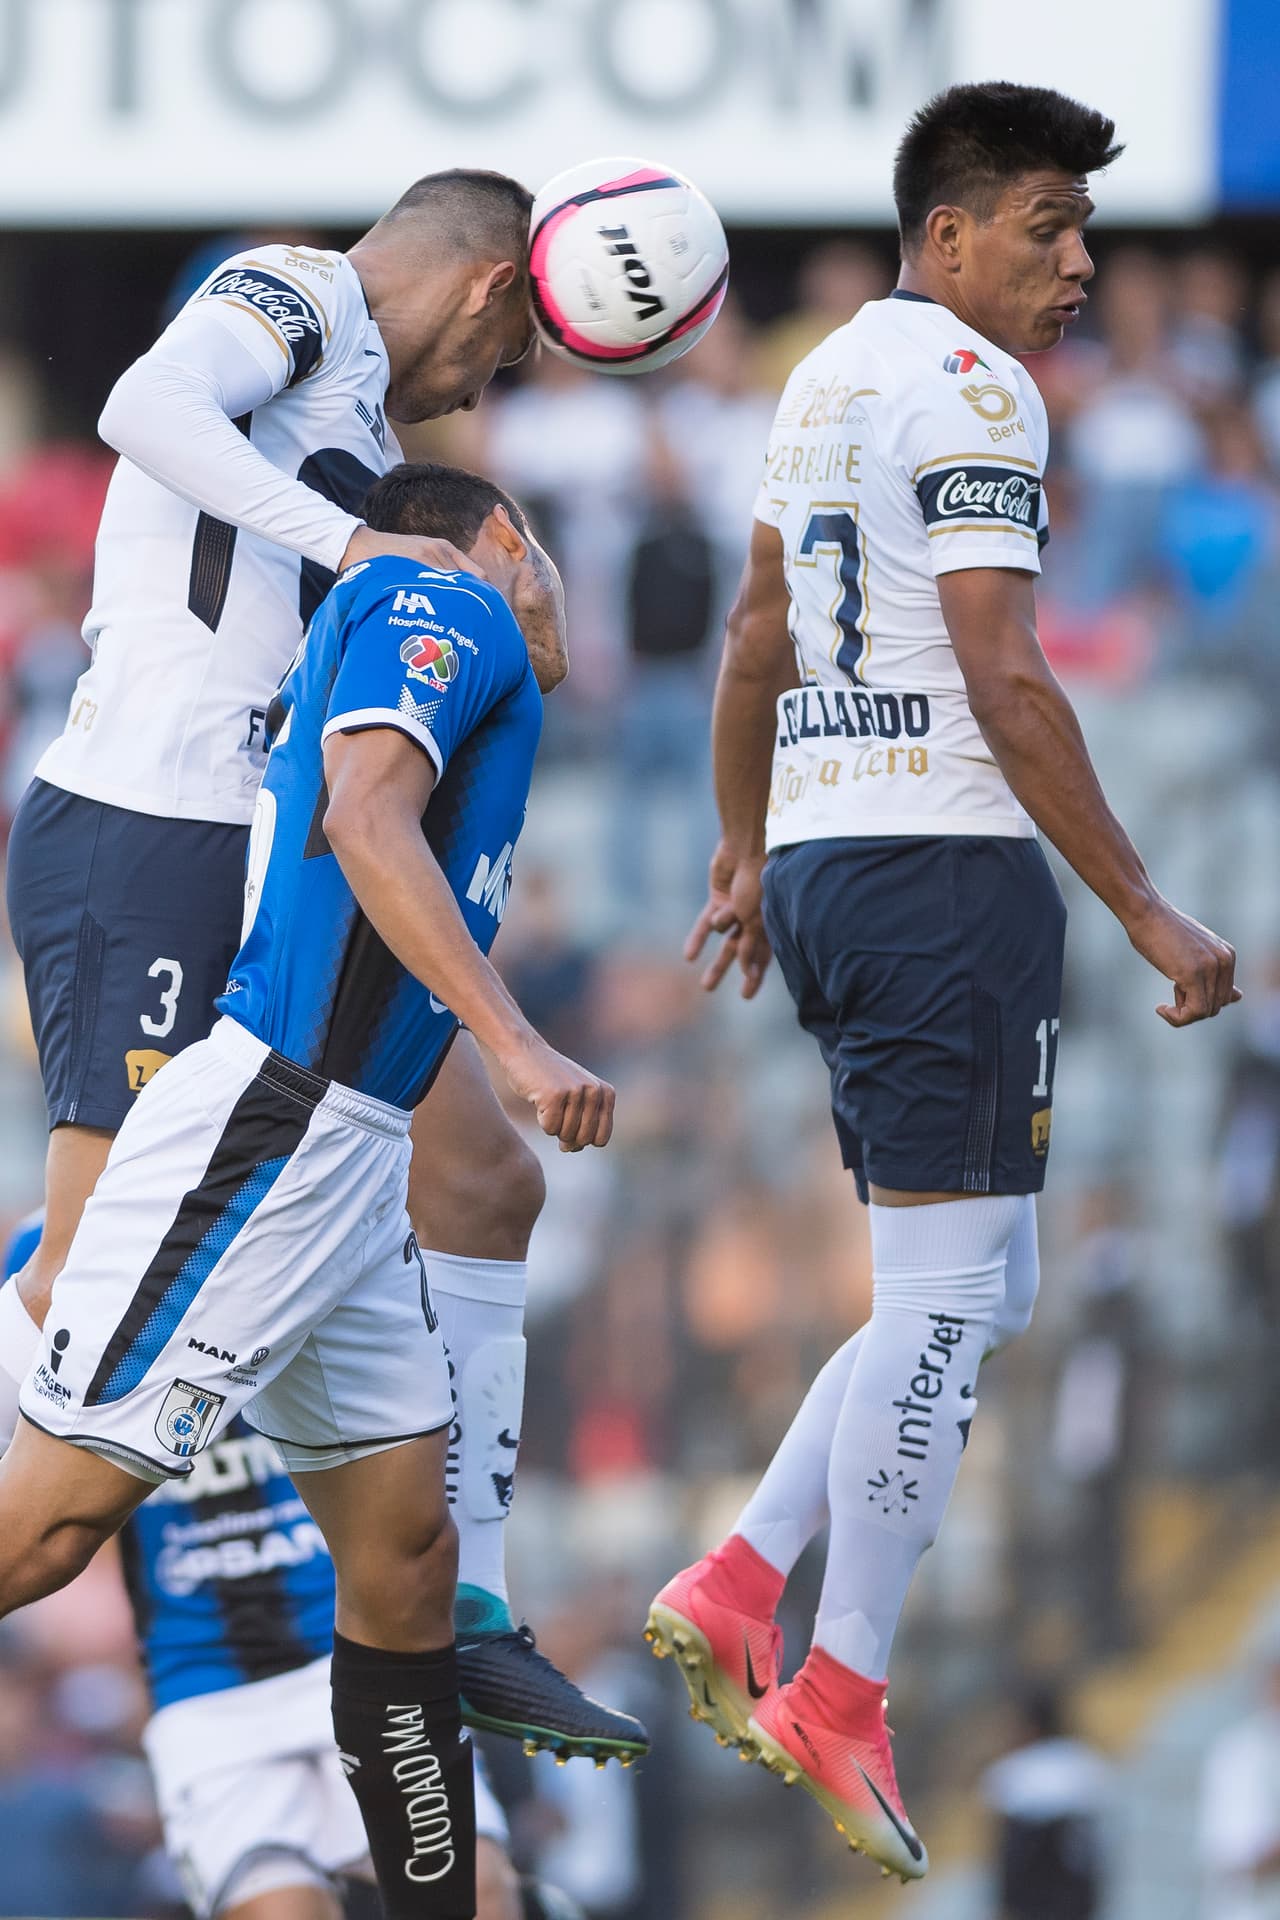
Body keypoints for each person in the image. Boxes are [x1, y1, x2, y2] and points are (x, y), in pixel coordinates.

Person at [646, 80, 1240, 1881]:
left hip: (835, 860)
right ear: (953, 233)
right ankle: (841, 1679)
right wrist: (1147, 907)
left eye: (1088, 234)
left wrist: (750, 852)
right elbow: (1007, 670)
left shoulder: (819, 375)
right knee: (945, 1302)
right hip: (939, 873)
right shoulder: (977, 391)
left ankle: (746, 1575)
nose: (1079, 264)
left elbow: (755, 633)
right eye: (1050, 227)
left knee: (981, 1288)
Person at [0, 168, 646, 1764]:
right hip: (147, 832)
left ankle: (472, 1609)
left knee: (489, 1188)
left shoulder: (364, 407)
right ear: (492, 284)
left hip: (248, 862)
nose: (475, 402)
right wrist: (359, 539)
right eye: (495, 370)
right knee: (76, 1282)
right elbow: (147, 405)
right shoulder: (302, 289)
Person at [2, 1207, 581, 1920]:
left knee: (476, 1893)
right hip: (205, 1688)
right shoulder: (49, 1248)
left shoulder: (301, 1179)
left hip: (355, 1650)